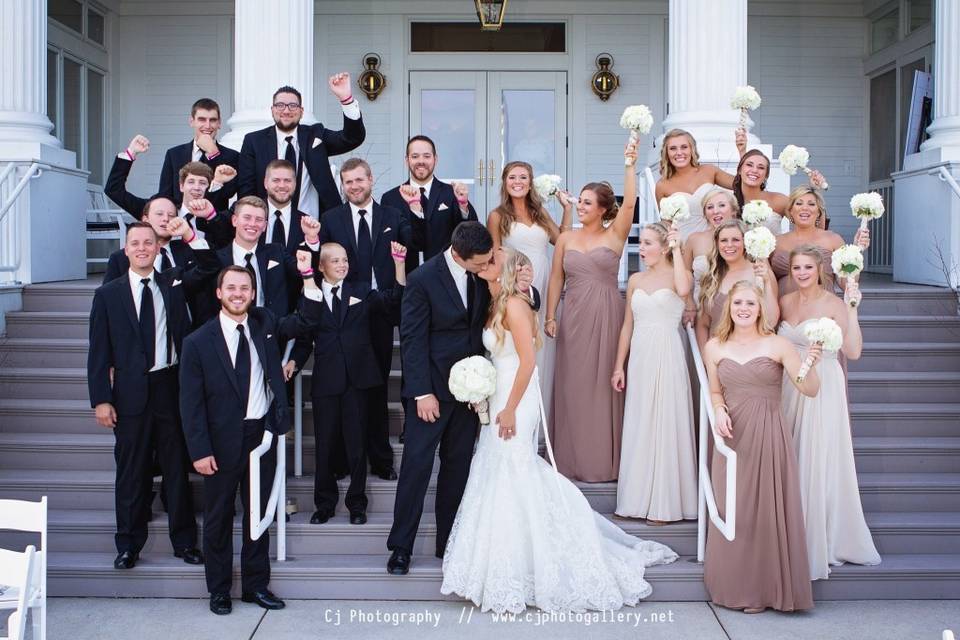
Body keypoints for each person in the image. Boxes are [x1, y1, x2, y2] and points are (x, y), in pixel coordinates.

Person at [440, 247, 678, 613]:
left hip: (517, 398)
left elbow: (528, 362)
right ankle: (507, 561)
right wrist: (482, 389)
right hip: (500, 391)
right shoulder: (494, 302)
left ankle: (536, 559)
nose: (485, 264)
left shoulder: (516, 306)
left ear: (506, 269)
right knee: (497, 469)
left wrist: (509, 408)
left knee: (514, 469)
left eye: (492, 261)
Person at [178, 261, 324, 615]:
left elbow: (306, 321)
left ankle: (256, 586)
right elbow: (190, 404)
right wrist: (199, 450)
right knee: (218, 517)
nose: (238, 294)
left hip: (261, 436)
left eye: (244, 288)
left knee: (259, 515)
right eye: (231, 288)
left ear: (253, 293)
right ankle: (219, 590)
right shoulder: (197, 342)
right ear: (218, 293)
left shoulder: (265, 325)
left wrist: (308, 278)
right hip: (219, 441)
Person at [87, 222, 202, 570]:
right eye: (134, 243)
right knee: (131, 471)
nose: (141, 248)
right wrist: (101, 399)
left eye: (147, 243)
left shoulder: (172, 285)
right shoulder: (108, 294)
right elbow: (98, 351)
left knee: (176, 470)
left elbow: (208, 266)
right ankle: (128, 545)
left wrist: (190, 236)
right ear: (126, 250)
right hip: (129, 393)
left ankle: (184, 542)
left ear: (157, 248)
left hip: (169, 386)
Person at [702, 280, 820, 613]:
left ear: (760, 309)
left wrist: (811, 361)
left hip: (769, 433)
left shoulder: (778, 344)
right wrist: (720, 410)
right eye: (738, 303)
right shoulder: (714, 347)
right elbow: (714, 392)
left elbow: (809, 389)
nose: (743, 309)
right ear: (729, 307)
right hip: (733, 436)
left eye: (750, 304)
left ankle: (763, 591)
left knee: (766, 512)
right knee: (734, 510)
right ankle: (736, 584)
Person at [385, 222, 495, 576]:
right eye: (478, 263)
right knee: (416, 468)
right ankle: (400, 547)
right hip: (430, 392)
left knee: (457, 468)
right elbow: (413, 341)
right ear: (459, 254)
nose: (483, 267)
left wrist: (479, 385)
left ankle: (448, 542)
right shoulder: (422, 279)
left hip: (470, 393)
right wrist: (422, 392)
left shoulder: (483, 272)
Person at [286, 242, 407, 526]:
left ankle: (357, 504)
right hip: (327, 379)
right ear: (321, 266)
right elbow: (304, 336)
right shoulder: (310, 294)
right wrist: (293, 361)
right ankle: (324, 504)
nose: (342, 265)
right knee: (325, 445)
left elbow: (393, 303)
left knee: (357, 444)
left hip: (358, 379)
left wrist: (399, 265)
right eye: (335, 261)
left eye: (344, 260)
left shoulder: (361, 290)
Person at [778, 246, 880, 579]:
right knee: (791, 455)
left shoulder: (835, 304)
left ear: (820, 269)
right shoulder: (785, 303)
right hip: (789, 385)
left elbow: (853, 351)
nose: (802, 273)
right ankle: (790, 532)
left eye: (808, 267)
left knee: (818, 456)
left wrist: (852, 309)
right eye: (796, 268)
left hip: (824, 386)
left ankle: (821, 538)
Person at [545, 140, 638, 483]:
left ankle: (602, 462)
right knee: (573, 385)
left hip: (606, 314)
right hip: (574, 315)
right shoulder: (567, 238)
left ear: (602, 208)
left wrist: (629, 163)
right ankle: (570, 459)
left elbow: (629, 205)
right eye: (579, 201)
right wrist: (551, 315)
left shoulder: (615, 235)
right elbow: (556, 277)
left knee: (602, 387)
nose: (579, 206)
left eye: (586, 202)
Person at [316, 158, 411, 480]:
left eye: (359, 180)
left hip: (381, 312)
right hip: (344, 317)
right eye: (348, 182)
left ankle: (380, 458)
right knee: (345, 391)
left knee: (377, 387)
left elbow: (415, 246)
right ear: (343, 185)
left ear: (371, 180)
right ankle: (343, 460)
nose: (354, 186)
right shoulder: (331, 219)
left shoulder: (392, 217)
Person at [611, 222, 697, 524]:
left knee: (666, 419)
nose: (642, 248)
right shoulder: (635, 279)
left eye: (648, 243)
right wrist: (619, 365)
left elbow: (685, 290)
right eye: (641, 243)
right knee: (641, 420)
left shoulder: (680, 275)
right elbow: (626, 326)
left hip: (667, 351)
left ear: (663, 247)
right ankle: (637, 499)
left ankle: (666, 504)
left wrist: (677, 248)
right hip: (640, 355)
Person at [487, 160, 573, 411]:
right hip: (516, 284)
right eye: (512, 177)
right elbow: (494, 256)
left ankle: (540, 413)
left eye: (523, 177)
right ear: (505, 182)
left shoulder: (540, 212)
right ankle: (515, 408)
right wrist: (506, 288)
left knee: (545, 349)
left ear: (530, 182)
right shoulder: (497, 216)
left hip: (545, 282)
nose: (518, 182)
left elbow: (561, 241)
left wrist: (567, 210)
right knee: (520, 347)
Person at [237, 74, 365, 218]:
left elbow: (352, 138)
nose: (286, 111)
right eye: (280, 105)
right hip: (269, 223)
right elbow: (246, 189)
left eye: (293, 106)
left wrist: (346, 99)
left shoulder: (316, 135)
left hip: (313, 223)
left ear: (301, 111)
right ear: (272, 110)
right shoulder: (254, 141)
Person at [189, 196, 320, 324]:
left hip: (271, 335)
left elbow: (305, 270)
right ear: (234, 220)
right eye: (247, 218)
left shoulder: (277, 252)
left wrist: (312, 238)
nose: (252, 224)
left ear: (265, 226)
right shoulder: (217, 259)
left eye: (259, 219)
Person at [106, 134, 236, 246]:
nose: (196, 187)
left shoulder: (213, 217)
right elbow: (114, 190)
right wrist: (131, 152)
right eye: (191, 182)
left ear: (208, 187)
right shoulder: (161, 212)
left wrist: (218, 182)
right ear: (181, 186)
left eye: (202, 183)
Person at [381, 135, 477, 272]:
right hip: (406, 278)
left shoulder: (451, 193)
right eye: (415, 156)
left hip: (445, 274)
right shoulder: (390, 198)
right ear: (407, 160)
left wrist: (463, 205)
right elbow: (388, 242)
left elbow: (471, 232)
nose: (421, 161)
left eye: (426, 156)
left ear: (435, 159)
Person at [695, 219, 779, 351]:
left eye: (735, 240)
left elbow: (772, 321)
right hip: (716, 355)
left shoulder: (760, 273)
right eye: (723, 240)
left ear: (745, 243)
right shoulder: (712, 276)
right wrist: (704, 358)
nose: (729, 245)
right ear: (717, 244)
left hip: (751, 352)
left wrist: (767, 282)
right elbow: (703, 323)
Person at [770, 185, 869, 296]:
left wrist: (856, 252)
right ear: (791, 211)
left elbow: (846, 284)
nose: (805, 208)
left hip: (823, 310)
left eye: (811, 204)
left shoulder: (833, 240)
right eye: (799, 203)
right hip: (784, 310)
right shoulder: (775, 242)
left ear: (818, 212)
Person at [654, 128, 744, 240]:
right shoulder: (662, 185)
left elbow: (742, 185)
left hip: (715, 240)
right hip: (683, 242)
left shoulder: (709, 171)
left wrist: (742, 152)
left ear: (692, 149)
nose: (679, 153)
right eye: (673, 148)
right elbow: (666, 224)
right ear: (666, 153)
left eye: (684, 147)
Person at [158, 98, 239, 208]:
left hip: (213, 221)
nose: (207, 125)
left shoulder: (232, 156)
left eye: (213, 120)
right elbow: (165, 194)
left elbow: (228, 192)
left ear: (219, 123)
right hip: (181, 221)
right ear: (192, 121)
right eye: (202, 119)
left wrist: (213, 154)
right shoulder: (174, 154)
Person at [730, 149, 824, 234]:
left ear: (766, 176)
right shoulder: (729, 202)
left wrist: (816, 192)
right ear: (739, 170)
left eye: (761, 167)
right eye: (749, 165)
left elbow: (813, 229)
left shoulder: (779, 200)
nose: (754, 170)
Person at [682, 188, 740, 310]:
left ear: (733, 211)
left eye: (722, 205)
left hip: (736, 308)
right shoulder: (694, 239)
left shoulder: (744, 239)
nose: (715, 211)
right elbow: (685, 274)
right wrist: (689, 305)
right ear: (705, 214)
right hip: (700, 307)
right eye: (710, 207)